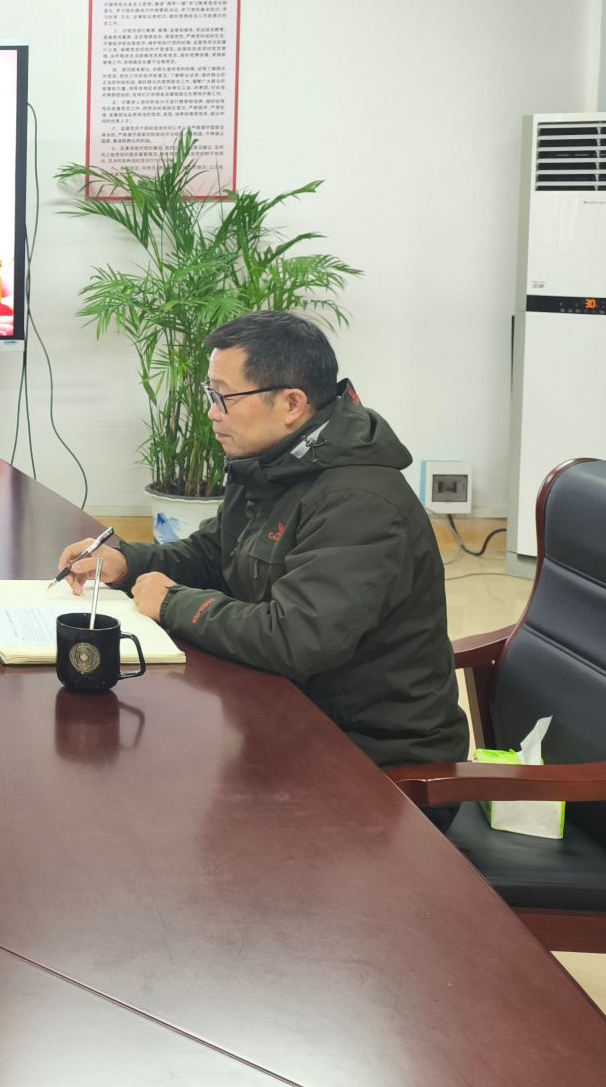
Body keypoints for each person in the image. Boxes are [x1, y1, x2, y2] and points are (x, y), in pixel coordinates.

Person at [59, 310, 468, 775]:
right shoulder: (272, 463)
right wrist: (125, 563)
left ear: (292, 403)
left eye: (224, 397)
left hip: (374, 762)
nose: (212, 412)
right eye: (210, 394)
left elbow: (297, 637)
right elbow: (214, 554)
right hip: (292, 716)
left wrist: (172, 603)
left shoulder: (360, 502)